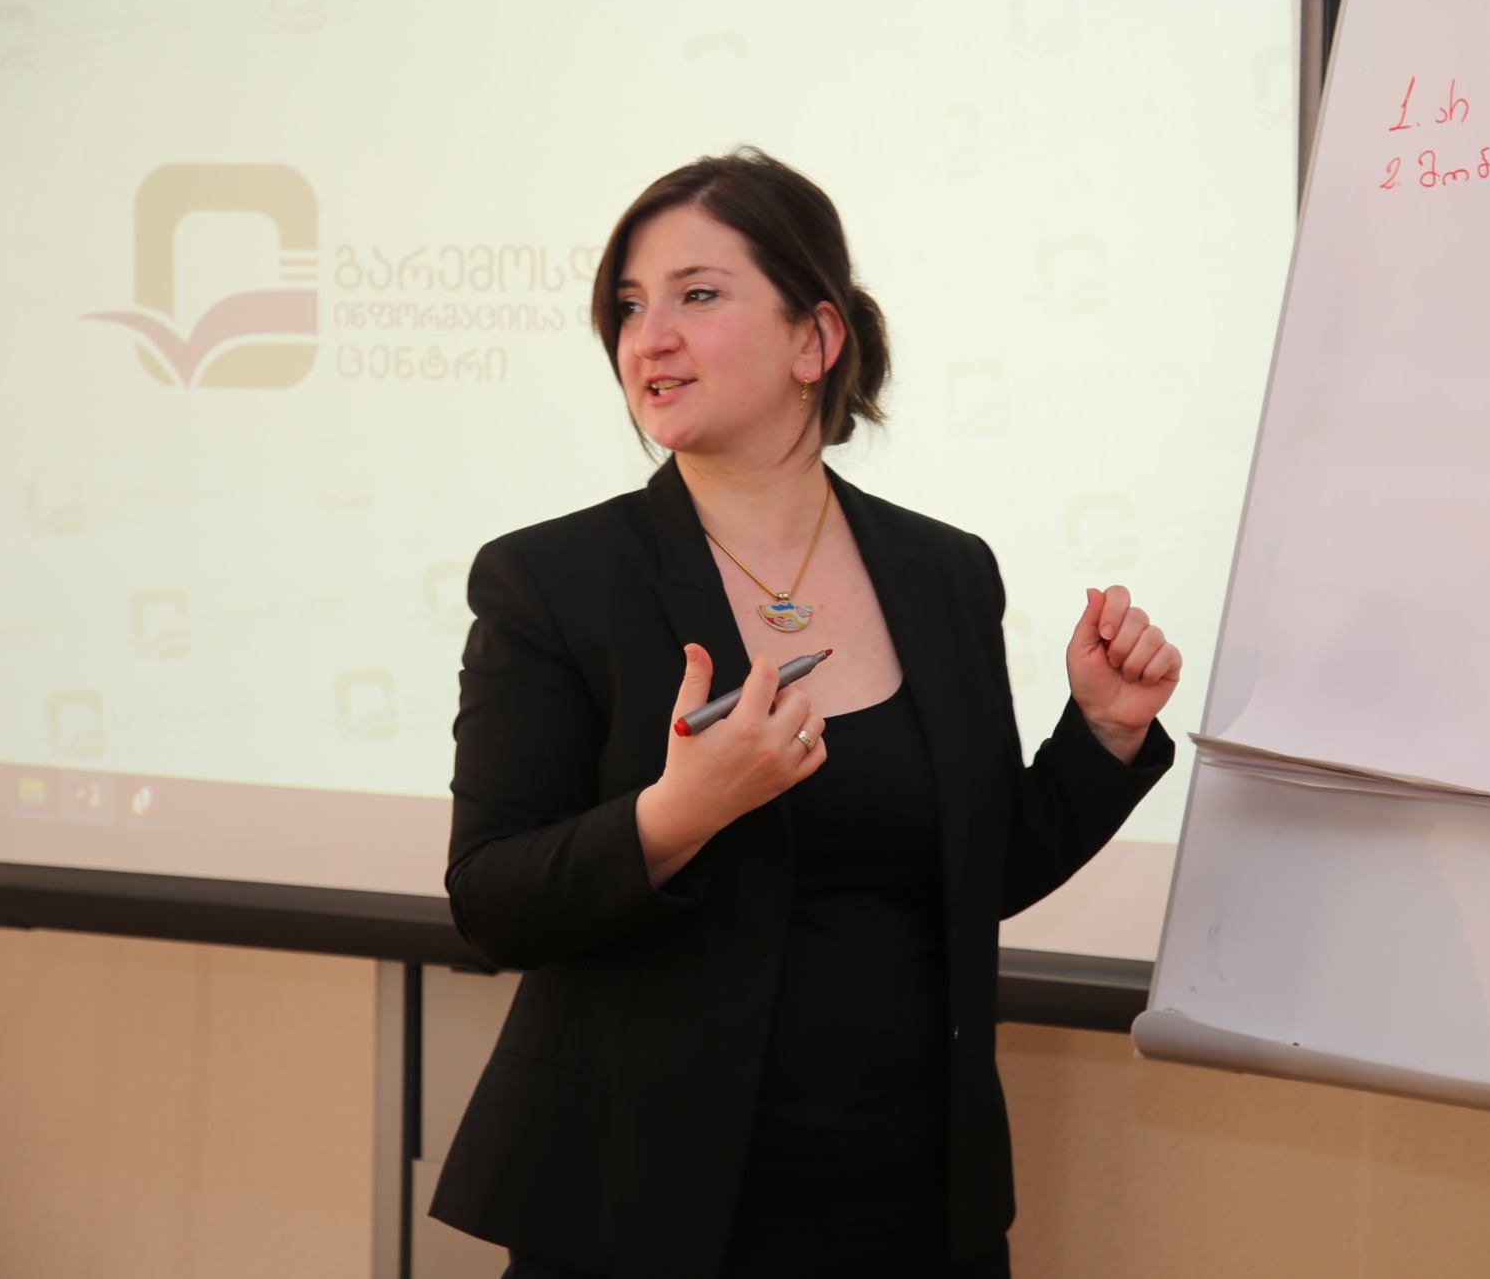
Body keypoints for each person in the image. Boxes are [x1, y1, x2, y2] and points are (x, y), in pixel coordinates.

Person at [426, 147, 1181, 1278]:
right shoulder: (553, 580)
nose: (648, 337)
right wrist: (680, 811)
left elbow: (976, 870)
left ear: (815, 340)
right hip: (649, 1215)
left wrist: (1105, 733)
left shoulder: (942, 572)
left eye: (696, 295)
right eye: (628, 306)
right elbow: (491, 901)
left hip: (911, 1203)